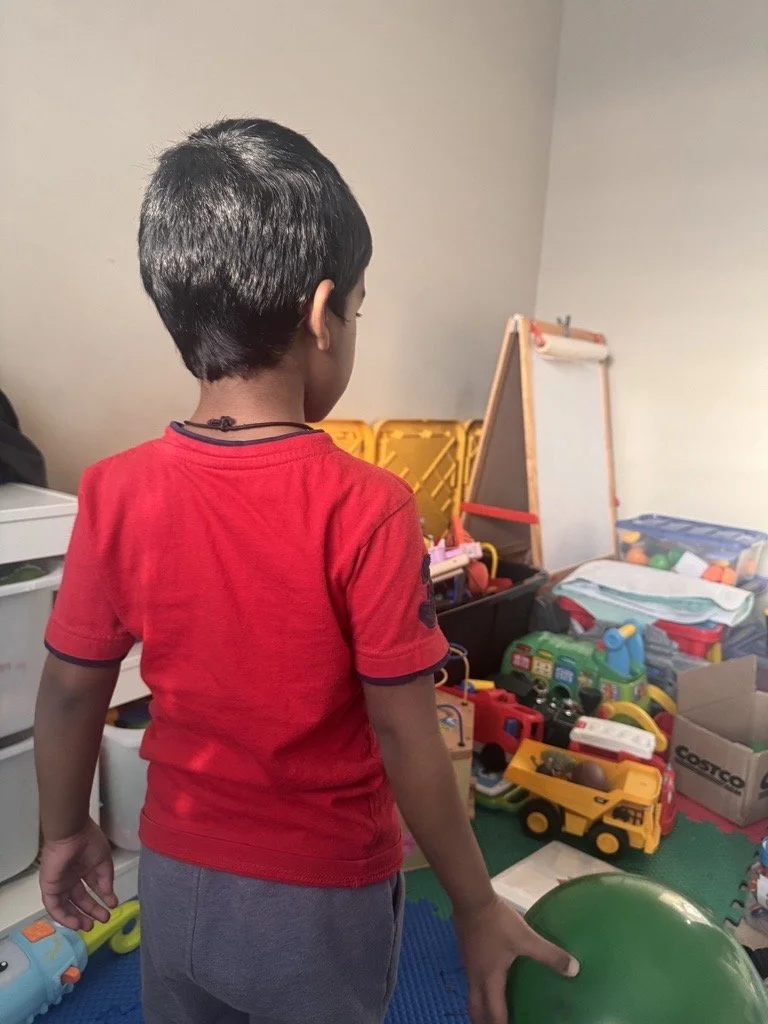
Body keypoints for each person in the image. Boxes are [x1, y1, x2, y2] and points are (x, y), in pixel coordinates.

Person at [33, 118, 578, 1024]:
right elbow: (406, 731)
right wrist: (476, 905)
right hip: (320, 901)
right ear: (324, 314)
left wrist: (63, 832)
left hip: (174, 876)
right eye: (358, 311)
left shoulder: (114, 489)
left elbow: (67, 689)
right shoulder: (371, 506)